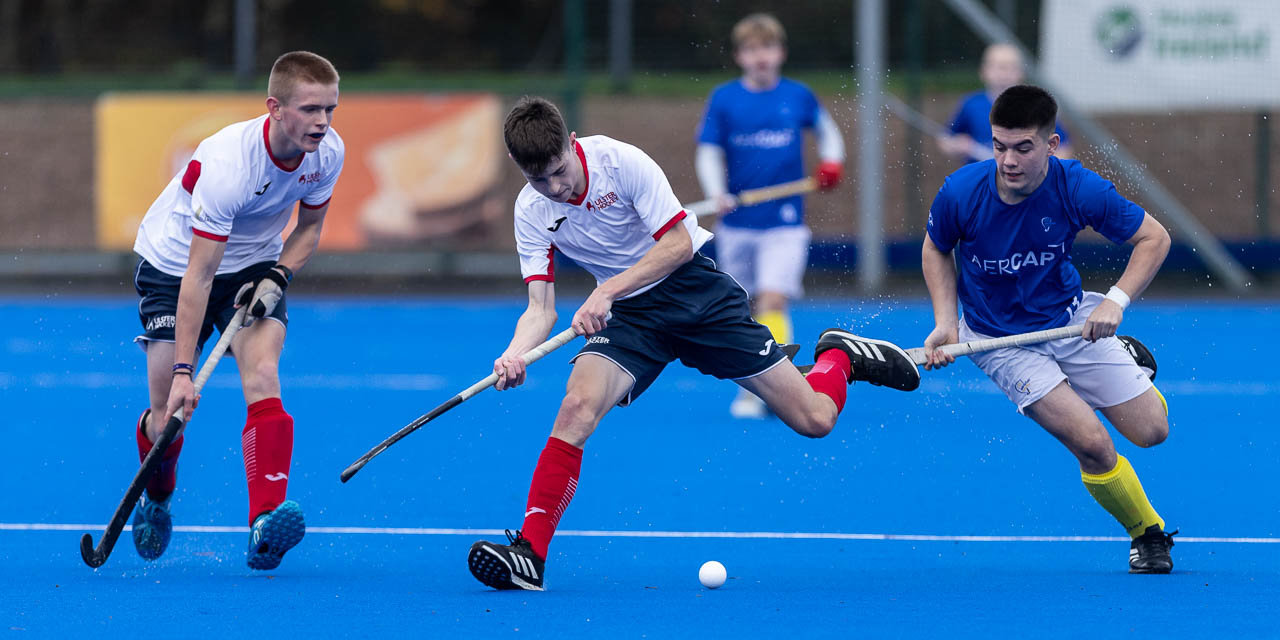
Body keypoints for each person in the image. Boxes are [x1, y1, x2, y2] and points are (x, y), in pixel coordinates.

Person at [466, 96, 917, 591]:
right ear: (517, 166)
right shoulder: (531, 210)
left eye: (559, 171)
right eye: (539, 180)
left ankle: (839, 357)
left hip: (693, 294)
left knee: (815, 419)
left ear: (571, 144)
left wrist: (609, 288)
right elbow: (540, 309)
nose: (555, 187)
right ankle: (531, 554)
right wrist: (514, 353)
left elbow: (679, 243)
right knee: (576, 408)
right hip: (631, 320)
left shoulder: (622, 162)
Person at [921, 85, 1176, 573]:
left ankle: (1126, 363)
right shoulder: (961, 192)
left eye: (1023, 148)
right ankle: (1148, 534)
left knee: (1151, 432)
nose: (1008, 160)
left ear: (1052, 144)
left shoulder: (1078, 187)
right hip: (998, 341)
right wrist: (945, 323)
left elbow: (1154, 237)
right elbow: (936, 248)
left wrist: (1117, 303)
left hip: (1071, 321)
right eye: (999, 146)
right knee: (1093, 443)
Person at [129, 51, 344, 570]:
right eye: (311, 109)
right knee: (167, 416)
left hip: (253, 264)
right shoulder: (231, 165)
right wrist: (184, 371)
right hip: (175, 266)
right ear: (274, 108)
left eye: (330, 109)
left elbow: (309, 230)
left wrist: (277, 275)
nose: (322, 122)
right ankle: (156, 497)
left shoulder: (328, 153)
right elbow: (198, 277)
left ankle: (265, 523)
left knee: (263, 372)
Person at [695, 13, 845, 419]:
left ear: (780, 52)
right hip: (737, 225)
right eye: (751, 49)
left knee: (773, 299)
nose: (761, 56)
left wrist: (831, 164)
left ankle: (783, 389)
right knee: (741, 308)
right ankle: (754, 387)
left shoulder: (798, 95)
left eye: (768, 48)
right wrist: (716, 194)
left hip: (785, 223)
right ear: (740, 56)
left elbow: (829, 133)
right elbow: (709, 151)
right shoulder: (724, 99)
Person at [939, 43, 1073, 164]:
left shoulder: (1037, 107)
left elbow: (1063, 148)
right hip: (982, 183)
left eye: (1011, 68)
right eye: (999, 67)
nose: (1004, 74)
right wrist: (957, 146)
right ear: (984, 71)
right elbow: (946, 139)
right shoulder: (971, 104)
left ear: (1021, 73)